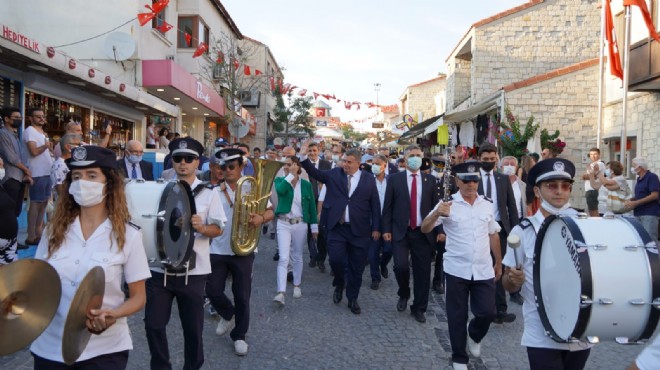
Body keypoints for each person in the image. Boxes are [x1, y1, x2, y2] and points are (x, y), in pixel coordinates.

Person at [30, 145, 150, 369]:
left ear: (109, 183)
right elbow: (37, 281)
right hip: (49, 347)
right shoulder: (52, 231)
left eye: (92, 175)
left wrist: (113, 314)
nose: (82, 182)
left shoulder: (129, 235)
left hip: (104, 350)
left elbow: (138, 297)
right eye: (76, 176)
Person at [502, 158, 592, 370]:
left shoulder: (585, 226)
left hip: (580, 326)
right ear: (537, 190)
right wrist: (514, 280)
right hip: (541, 330)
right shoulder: (522, 231)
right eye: (552, 185)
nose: (559, 191)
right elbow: (507, 283)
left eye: (565, 186)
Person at [144, 137, 226, 369]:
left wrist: (201, 227)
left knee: (193, 330)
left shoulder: (209, 193)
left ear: (197, 162)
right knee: (153, 325)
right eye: (178, 158)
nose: (182, 163)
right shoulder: (158, 189)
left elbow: (218, 228)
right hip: (160, 270)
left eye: (188, 159)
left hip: (194, 272)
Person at [421, 162, 501, 370]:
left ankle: (475, 335)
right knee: (457, 315)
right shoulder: (448, 204)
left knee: (487, 312)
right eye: (466, 180)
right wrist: (437, 213)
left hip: (483, 269)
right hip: (456, 269)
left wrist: (499, 262)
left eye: (474, 180)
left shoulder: (487, 204)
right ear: (457, 181)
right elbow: (425, 228)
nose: (470, 185)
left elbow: (493, 233)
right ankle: (459, 357)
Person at [207, 148, 273, 356]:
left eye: (231, 166)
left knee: (242, 296)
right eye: (223, 167)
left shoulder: (252, 188)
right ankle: (228, 313)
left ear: (241, 166)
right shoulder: (213, 191)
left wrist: (261, 219)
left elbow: (270, 211)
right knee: (212, 290)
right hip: (218, 249)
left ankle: (239, 336)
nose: (226, 170)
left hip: (243, 250)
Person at [301, 148, 381, 315]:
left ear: (358, 163)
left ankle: (352, 298)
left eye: (349, 161)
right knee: (336, 261)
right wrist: (303, 157)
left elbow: (374, 204)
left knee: (357, 267)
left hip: (359, 230)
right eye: (344, 160)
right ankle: (339, 283)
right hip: (337, 227)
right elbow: (315, 173)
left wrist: (376, 228)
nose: (345, 164)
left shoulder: (368, 179)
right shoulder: (334, 174)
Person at [382, 145, 440, 323]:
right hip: (401, 230)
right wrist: (386, 230)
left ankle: (419, 307)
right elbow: (388, 206)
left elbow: (436, 208)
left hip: (423, 233)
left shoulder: (430, 180)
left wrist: (440, 230)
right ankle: (404, 292)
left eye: (418, 155)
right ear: (405, 159)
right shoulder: (394, 179)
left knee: (422, 272)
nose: (415, 158)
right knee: (400, 266)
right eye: (412, 155)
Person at [476, 143, 518, 323]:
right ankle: (485, 307)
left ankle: (501, 310)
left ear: (496, 159)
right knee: (483, 267)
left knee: (499, 267)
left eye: (492, 159)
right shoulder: (473, 178)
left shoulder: (502, 179)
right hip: (478, 228)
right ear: (480, 159)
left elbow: (511, 206)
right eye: (485, 160)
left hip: (500, 228)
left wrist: (516, 231)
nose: (489, 162)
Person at [272, 155, 318, 305]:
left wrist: (313, 226)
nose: (285, 166)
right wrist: (290, 175)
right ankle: (281, 292)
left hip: (300, 223)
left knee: (297, 255)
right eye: (284, 164)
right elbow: (280, 191)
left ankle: (297, 284)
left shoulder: (305, 184)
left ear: (297, 166)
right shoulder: (281, 181)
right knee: (284, 258)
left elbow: (311, 206)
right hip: (283, 222)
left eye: (289, 164)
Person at [24, 108, 53, 246]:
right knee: (35, 203)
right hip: (37, 173)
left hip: (47, 172)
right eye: (38, 116)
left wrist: (49, 147)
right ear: (31, 118)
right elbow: (34, 151)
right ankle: (31, 236)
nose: (41, 118)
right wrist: (46, 146)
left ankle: (39, 233)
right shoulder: (30, 131)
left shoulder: (42, 133)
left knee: (44, 203)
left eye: (43, 116)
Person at [499, 155, 526, 306]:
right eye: (506, 164)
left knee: (517, 257)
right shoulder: (497, 183)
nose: (509, 166)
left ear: (516, 167)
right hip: (502, 224)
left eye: (512, 164)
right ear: (501, 166)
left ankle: (515, 291)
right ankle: (501, 290)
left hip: (518, 222)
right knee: (503, 257)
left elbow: (525, 205)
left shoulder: (522, 185)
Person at [302, 141, 331, 269]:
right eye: (310, 151)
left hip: (324, 201)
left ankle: (322, 259)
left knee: (323, 232)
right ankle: (313, 256)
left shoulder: (327, 164)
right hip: (309, 201)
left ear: (318, 151)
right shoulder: (303, 166)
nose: (312, 153)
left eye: (314, 150)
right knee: (310, 230)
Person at [0, 106, 31, 219]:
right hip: (10, 179)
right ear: (6, 119)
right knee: (8, 212)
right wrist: (26, 169)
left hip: (19, 179)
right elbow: (11, 158)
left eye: (20, 117)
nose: (19, 119)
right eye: (16, 117)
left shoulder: (15, 135)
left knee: (16, 211)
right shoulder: (3, 134)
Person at [367, 154, 392, 290]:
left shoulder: (391, 181)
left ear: (384, 166)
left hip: (388, 222)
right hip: (373, 223)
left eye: (377, 164)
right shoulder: (368, 181)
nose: (375, 166)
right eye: (373, 164)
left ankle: (383, 264)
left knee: (389, 250)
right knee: (372, 253)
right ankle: (375, 277)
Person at [625, 157, 660, 242]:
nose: (632, 168)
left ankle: (655, 255)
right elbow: (641, 195)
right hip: (638, 212)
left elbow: (655, 195)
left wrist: (636, 202)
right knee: (640, 238)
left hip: (649, 213)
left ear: (640, 167)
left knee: (650, 239)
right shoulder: (639, 179)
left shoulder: (652, 177)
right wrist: (631, 200)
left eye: (633, 166)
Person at [50, 134, 81, 202]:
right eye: (77, 144)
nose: (80, 147)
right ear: (68, 147)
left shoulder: (75, 163)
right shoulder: (59, 166)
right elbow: (61, 192)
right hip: (65, 207)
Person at [0, 158, 19, 264]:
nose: (2, 169)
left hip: (9, 246)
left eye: (2, 165)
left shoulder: (1, 186)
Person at [582, 147, 605, 217]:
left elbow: (591, 175)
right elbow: (584, 176)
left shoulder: (599, 164)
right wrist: (588, 175)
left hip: (593, 190)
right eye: (591, 154)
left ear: (599, 155)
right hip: (590, 189)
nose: (593, 156)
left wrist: (587, 176)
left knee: (593, 211)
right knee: (591, 210)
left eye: (595, 154)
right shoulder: (592, 164)